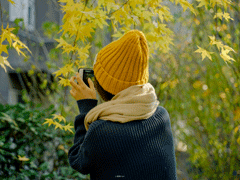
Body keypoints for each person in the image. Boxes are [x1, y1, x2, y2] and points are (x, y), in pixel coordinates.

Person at [68, 30, 177, 180]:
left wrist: (86, 108)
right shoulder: (161, 117)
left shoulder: (102, 131)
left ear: (105, 86)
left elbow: (78, 161)